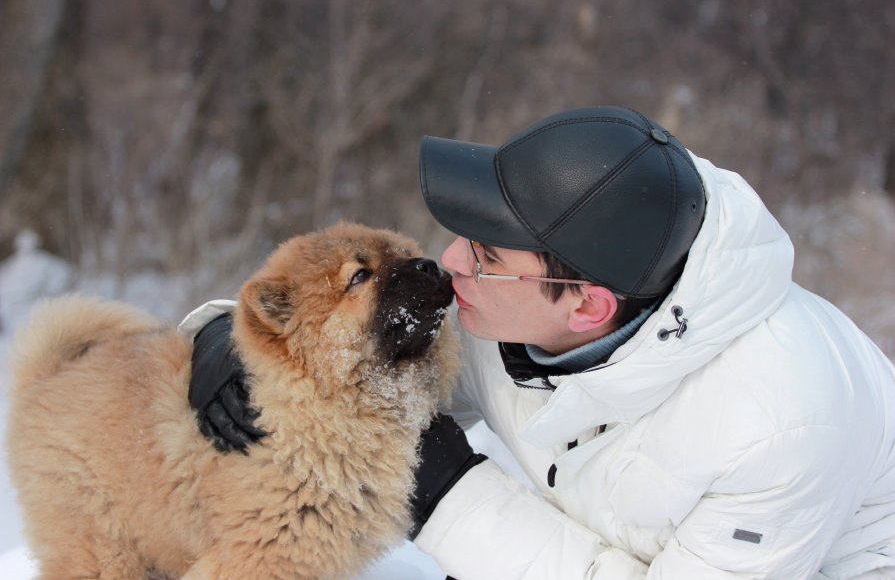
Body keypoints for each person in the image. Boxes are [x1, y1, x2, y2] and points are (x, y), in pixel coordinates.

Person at [184, 106, 895, 579]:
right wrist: (228, 338)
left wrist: (452, 496)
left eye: (486, 255)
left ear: (587, 305)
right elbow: (334, 356)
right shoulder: (553, 276)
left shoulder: (781, 425)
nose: (451, 262)